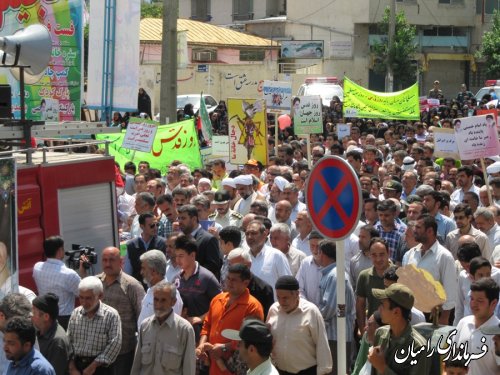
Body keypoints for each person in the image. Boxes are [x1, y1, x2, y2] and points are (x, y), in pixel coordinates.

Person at [197, 264, 264, 375]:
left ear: (246, 283)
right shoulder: (217, 299)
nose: (229, 282)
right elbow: (207, 325)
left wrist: (224, 347)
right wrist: (201, 345)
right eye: (228, 278)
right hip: (211, 366)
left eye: (234, 280)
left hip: (234, 368)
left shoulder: (253, 307)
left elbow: (251, 339)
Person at [266, 276, 332, 375]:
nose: (281, 302)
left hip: (307, 371)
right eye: (278, 297)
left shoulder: (311, 312)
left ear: (297, 294)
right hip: (279, 371)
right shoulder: (273, 310)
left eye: (285, 298)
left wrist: (323, 371)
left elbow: (321, 343)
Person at [97, 247, 146, 375]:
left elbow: (142, 319)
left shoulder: (132, 286)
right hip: (98, 352)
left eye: (112, 260)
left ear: (121, 261)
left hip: (123, 353)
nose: (107, 264)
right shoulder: (96, 283)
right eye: (105, 260)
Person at [130, 280, 196, 375]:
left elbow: (189, 369)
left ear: (173, 302)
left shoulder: (185, 329)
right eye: (156, 299)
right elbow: (137, 365)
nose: (158, 305)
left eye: (163, 300)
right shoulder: (145, 326)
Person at [403, 214, 457, 324]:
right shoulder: (410, 254)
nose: (414, 231)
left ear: (430, 231)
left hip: (434, 317)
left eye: (418, 228)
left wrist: (444, 319)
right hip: (410, 313)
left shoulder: (444, 256)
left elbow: (450, 292)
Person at [368, 283, 430, 374]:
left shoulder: (419, 347)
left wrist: (382, 368)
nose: (379, 309)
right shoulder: (380, 334)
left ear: (396, 312)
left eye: (382, 305)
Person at [67, 276, 122, 375]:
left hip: (101, 368)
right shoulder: (76, 313)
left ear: (100, 296)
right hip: (77, 366)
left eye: (88, 298)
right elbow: (68, 341)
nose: (84, 302)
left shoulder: (111, 315)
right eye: (81, 297)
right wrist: (72, 367)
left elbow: (115, 344)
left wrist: (93, 366)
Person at [317, 239, 355, 373]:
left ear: (322, 254)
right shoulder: (333, 273)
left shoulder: (335, 276)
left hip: (336, 336)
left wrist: (314, 317)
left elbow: (330, 309)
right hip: (334, 335)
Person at [174, 235, 222, 341]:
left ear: (192, 255)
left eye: (181, 256)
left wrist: (200, 318)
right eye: (176, 256)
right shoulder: (176, 278)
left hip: (202, 335)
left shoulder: (207, 277)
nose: (177, 260)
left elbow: (221, 305)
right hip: (181, 333)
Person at [33, 235, 85, 329]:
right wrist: (83, 271)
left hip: (44, 317)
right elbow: (84, 292)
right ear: (60, 251)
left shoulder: (37, 267)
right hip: (64, 320)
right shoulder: (69, 274)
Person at [455, 277, 500, 375]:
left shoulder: (498, 333)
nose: (473, 304)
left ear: (493, 303)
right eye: (472, 299)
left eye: (480, 301)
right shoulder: (463, 323)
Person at [245, 220, 292, 296]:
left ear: (264, 235)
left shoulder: (276, 256)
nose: (249, 237)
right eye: (247, 234)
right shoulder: (244, 257)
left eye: (254, 233)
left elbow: (287, 284)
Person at [356, 237, 391, 336]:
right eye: (374, 255)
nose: (378, 259)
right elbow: (360, 305)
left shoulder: (399, 274)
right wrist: (363, 330)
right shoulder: (364, 276)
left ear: (389, 253)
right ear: (369, 256)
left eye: (382, 254)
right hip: (373, 332)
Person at [137, 249, 183, 325]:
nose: (141, 272)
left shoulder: (171, 295)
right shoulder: (150, 290)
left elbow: (172, 326)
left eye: (144, 268)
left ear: (154, 271)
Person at [177, 204, 223, 280]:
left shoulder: (208, 239)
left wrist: (191, 273)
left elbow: (212, 267)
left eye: (183, 218)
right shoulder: (180, 239)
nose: (180, 222)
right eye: (179, 218)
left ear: (194, 219)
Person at [31, 293, 72, 375]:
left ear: (46, 317)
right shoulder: (38, 331)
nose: (31, 315)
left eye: (34, 312)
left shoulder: (57, 342)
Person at [124, 212, 167, 288]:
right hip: (138, 288)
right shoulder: (130, 245)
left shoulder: (163, 243)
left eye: (157, 224)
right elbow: (127, 272)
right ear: (142, 226)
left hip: (159, 288)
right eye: (152, 225)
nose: (155, 228)